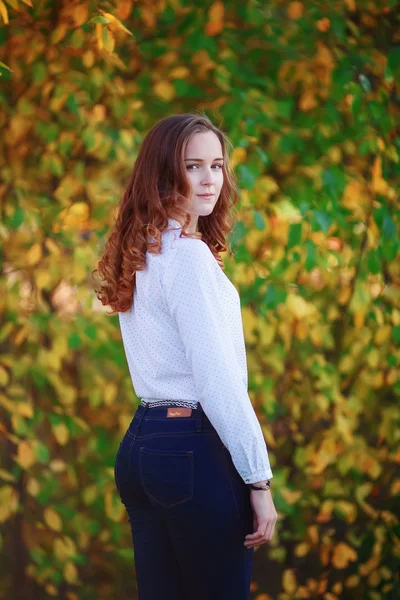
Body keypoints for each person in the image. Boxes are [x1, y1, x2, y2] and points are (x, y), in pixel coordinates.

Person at [93, 113, 278, 599]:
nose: (209, 179)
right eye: (192, 166)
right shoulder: (189, 259)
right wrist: (258, 479)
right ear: (162, 173)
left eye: (216, 165)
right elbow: (218, 381)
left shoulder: (143, 251)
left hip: (143, 446)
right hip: (191, 446)